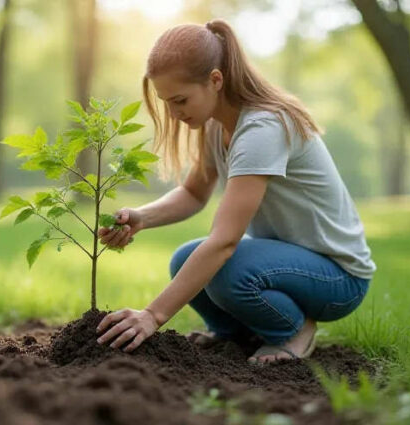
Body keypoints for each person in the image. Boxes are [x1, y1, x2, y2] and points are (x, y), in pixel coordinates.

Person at [95, 19, 376, 365]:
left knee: (225, 268)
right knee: (185, 259)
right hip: (286, 262)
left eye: (180, 100)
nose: (173, 113)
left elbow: (226, 241)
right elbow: (194, 193)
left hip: (337, 276)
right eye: (167, 102)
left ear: (215, 80)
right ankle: (234, 335)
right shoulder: (216, 125)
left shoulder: (262, 128)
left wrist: (152, 315)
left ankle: (293, 328)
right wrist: (141, 218)